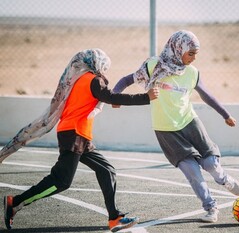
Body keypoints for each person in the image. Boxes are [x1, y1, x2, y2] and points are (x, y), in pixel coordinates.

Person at [2, 48, 159, 232]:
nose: (104, 71)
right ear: (96, 64)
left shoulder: (81, 80)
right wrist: (146, 97)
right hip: (74, 134)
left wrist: (115, 99)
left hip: (79, 136)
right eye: (104, 67)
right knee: (61, 181)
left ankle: (114, 218)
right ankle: (15, 203)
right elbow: (109, 96)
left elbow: (107, 97)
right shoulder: (93, 79)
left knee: (106, 170)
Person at [111, 30, 239, 223]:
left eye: (196, 53)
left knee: (210, 164)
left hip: (190, 123)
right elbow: (126, 80)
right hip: (165, 129)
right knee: (193, 172)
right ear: (177, 49)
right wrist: (116, 96)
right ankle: (210, 208)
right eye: (191, 53)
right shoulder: (153, 65)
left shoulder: (192, 73)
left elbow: (207, 96)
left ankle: (224, 179)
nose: (194, 58)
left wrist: (226, 115)